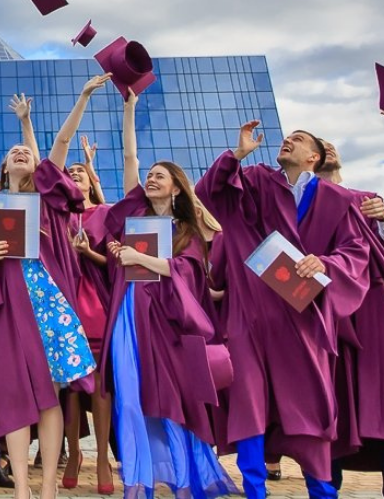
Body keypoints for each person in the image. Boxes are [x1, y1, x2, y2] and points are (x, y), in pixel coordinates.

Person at [195, 123, 371, 499]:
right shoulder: (256, 181)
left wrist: (325, 264)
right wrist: (237, 155)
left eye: (300, 138)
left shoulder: (337, 201)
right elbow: (208, 194)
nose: (288, 139)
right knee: (250, 404)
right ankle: (255, 491)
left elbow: (355, 252)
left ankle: (322, 491)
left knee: (310, 405)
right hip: (251, 317)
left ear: (314, 157)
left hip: (303, 319)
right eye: (287, 136)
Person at [0, 81, 101, 499]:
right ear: (3, 170)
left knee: (51, 392)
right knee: (15, 391)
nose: (20, 155)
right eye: (13, 155)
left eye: (25, 153)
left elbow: (60, 143)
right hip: (5, 303)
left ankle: (49, 487)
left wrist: (78, 100)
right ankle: (22, 485)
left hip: (46, 301)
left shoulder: (46, 198)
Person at [98, 90, 234, 499]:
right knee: (130, 396)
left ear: (177, 187)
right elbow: (129, 161)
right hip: (128, 314)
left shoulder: (186, 230)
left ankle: (184, 479)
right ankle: (138, 479)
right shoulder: (136, 217)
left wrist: (139, 258)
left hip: (168, 321)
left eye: (161, 175)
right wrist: (128, 109)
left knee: (171, 398)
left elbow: (186, 271)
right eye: (151, 174)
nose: (152, 178)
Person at [316, 141, 384, 497]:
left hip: (372, 310)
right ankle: (326, 487)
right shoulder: (298, 207)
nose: (328, 149)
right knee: (329, 401)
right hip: (325, 311)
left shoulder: (368, 199)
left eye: (331, 145)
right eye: (320, 145)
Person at [64, 136, 114, 494]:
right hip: (65, 297)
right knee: (68, 384)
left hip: (96, 298)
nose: (75, 174)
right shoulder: (60, 215)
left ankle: (102, 461)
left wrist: (88, 253)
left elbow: (118, 258)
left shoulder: (106, 213)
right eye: (71, 172)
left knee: (98, 382)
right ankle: (73, 452)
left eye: (80, 171)